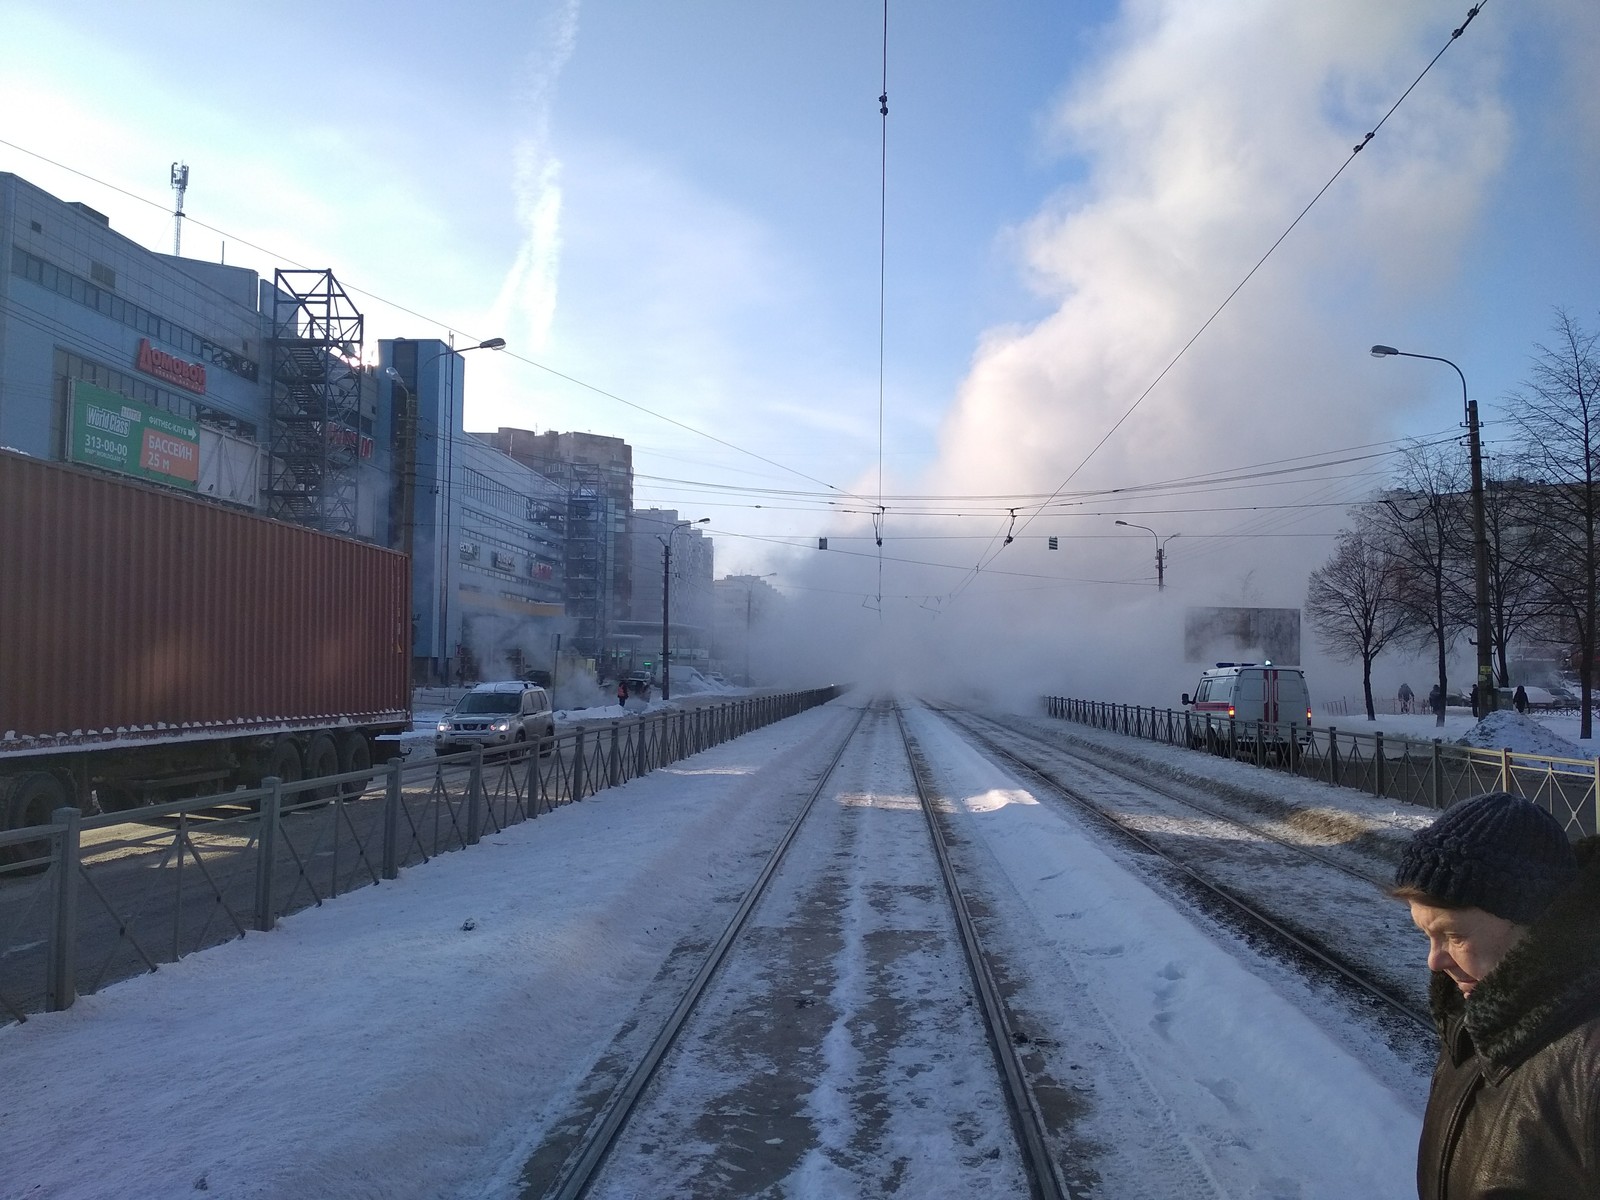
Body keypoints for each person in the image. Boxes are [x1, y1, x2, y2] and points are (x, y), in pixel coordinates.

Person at [1392, 791, 1600, 1198]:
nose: (1434, 962)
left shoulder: (1588, 1065)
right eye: (1426, 935)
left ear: (1535, 921)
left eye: (1454, 936)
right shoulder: (1471, 1018)